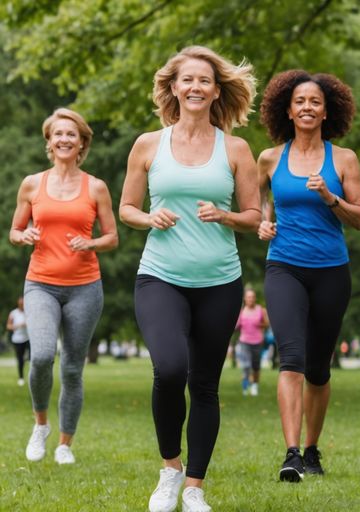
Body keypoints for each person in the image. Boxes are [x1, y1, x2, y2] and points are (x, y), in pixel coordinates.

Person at [120, 46, 260, 512]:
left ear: (216, 90)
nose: (196, 87)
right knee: (170, 369)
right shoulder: (148, 144)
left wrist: (225, 215)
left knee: (204, 384)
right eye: (187, 80)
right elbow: (126, 209)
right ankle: (170, 471)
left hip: (219, 281)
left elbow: (254, 215)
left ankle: (195, 488)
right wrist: (148, 218)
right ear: (173, 88)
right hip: (160, 276)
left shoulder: (236, 149)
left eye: (204, 80)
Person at [256, 69, 360, 482]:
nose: (307, 107)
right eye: (300, 101)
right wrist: (264, 224)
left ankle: (313, 448)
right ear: (287, 109)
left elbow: (358, 218)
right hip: (284, 266)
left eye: (314, 102)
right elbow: (259, 206)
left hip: (331, 271)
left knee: (319, 369)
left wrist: (329, 196)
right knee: (292, 361)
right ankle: (291, 453)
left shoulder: (344, 159)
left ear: (326, 111)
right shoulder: (269, 158)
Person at [8, 108, 117, 466]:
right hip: (41, 283)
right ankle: (41, 425)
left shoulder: (96, 187)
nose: (65, 139)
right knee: (40, 356)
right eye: (58, 134)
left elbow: (112, 237)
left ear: (82, 142)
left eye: (72, 134)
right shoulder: (32, 184)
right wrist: (23, 235)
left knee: (72, 368)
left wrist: (91, 244)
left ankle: (65, 444)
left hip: (85, 287)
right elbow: (14, 231)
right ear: (49, 142)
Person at [235, 287, 268, 396]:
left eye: (253, 297)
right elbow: (237, 326)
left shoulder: (260, 310)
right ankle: (245, 388)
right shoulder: (241, 312)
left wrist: (260, 325)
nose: (251, 299)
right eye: (249, 297)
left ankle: (255, 387)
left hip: (257, 342)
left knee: (256, 366)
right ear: (245, 299)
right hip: (244, 341)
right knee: (245, 366)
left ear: (255, 299)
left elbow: (266, 324)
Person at [7, 296, 29, 386]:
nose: (22, 305)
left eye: (23, 304)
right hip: (18, 339)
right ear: (18, 304)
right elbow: (8, 326)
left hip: (28, 338)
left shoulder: (29, 312)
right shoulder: (13, 313)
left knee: (32, 358)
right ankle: (21, 378)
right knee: (20, 360)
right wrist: (18, 326)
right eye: (21, 304)